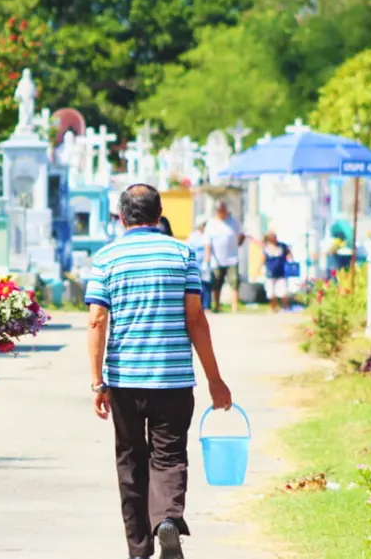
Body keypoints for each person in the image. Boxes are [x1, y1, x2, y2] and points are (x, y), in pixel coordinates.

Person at [84, 184, 234, 559]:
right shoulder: (183, 254)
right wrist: (215, 379)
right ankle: (167, 519)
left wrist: (96, 381)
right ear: (159, 212)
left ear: (121, 216)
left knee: (131, 461)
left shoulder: (106, 258)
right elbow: (196, 319)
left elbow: (96, 320)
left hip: (124, 380)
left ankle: (139, 549)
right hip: (173, 379)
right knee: (169, 457)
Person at [203, 201, 245, 314]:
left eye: (223, 210)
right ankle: (216, 305)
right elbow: (207, 244)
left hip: (232, 259)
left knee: (235, 282)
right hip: (216, 260)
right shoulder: (211, 224)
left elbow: (242, 235)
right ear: (217, 211)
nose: (222, 213)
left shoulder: (233, 222)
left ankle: (234, 307)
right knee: (216, 284)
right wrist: (206, 260)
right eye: (219, 211)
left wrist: (238, 245)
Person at [261, 232, 294, 313]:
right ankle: (273, 307)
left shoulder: (282, 246)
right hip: (270, 273)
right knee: (271, 293)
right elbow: (263, 259)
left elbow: (289, 254)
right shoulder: (266, 248)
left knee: (283, 292)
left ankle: (286, 307)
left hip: (281, 273)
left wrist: (291, 261)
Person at [188, 219, 212, 310]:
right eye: (203, 224)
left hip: (206, 264)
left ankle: (207, 306)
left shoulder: (208, 235)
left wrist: (206, 263)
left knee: (206, 285)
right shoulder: (193, 236)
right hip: (195, 264)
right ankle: (198, 306)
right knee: (197, 285)